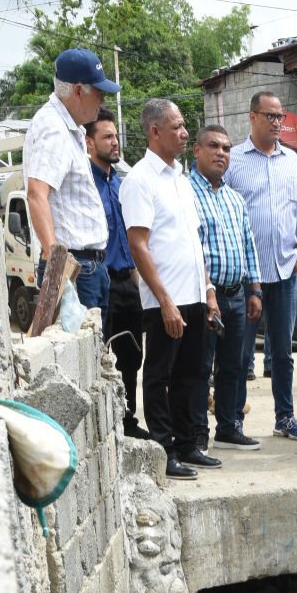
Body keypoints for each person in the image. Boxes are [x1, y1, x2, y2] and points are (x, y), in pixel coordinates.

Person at [119, 99, 217, 481]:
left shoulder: (180, 177)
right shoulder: (140, 180)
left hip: (193, 295)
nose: (184, 132)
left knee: (192, 374)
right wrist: (164, 301)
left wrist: (208, 290)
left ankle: (189, 442)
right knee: (159, 376)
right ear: (154, 131)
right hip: (165, 301)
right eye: (176, 126)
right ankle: (164, 449)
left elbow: (193, 241)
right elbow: (138, 244)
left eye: (183, 125)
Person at [225, 91, 297, 442]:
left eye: (281, 117)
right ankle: (233, 420)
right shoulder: (232, 161)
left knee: (283, 352)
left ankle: (285, 417)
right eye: (270, 116)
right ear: (252, 117)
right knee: (241, 351)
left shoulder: (293, 162)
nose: (277, 122)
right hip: (248, 276)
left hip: (286, 272)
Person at [24, 48, 120, 322]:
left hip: (90, 266)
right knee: (80, 358)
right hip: (75, 267)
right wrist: (59, 275)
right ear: (78, 90)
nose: (101, 101)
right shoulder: (52, 127)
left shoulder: (71, 128)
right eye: (98, 93)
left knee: (95, 356)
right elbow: (36, 195)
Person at [189, 125, 264, 460]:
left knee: (233, 365)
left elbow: (249, 245)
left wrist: (255, 290)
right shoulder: (186, 193)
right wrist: (208, 295)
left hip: (236, 295)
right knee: (200, 368)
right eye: (214, 146)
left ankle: (229, 427)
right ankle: (196, 435)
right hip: (206, 296)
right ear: (197, 150)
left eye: (227, 148)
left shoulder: (235, 198)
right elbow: (191, 249)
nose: (221, 153)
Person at [85, 106, 149, 439]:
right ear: (89, 143)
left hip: (128, 282)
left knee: (131, 356)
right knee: (99, 357)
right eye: (107, 137)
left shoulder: (121, 184)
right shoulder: (85, 186)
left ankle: (127, 419)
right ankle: (103, 423)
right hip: (100, 280)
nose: (115, 143)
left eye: (116, 136)